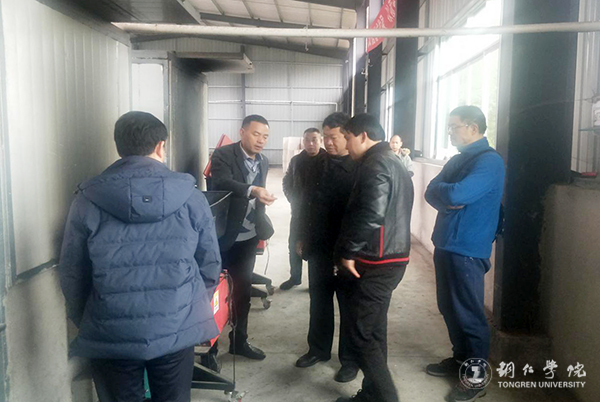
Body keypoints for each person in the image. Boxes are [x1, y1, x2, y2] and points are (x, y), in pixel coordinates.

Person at [59, 111, 222, 402]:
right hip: (176, 324)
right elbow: (210, 262)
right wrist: (190, 305)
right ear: (161, 146)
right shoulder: (190, 196)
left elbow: (73, 271)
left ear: (119, 147)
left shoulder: (87, 199)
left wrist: (88, 317)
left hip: (111, 329)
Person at [424, 106, 505, 402]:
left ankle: (476, 378)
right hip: (446, 243)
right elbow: (431, 190)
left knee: (469, 314)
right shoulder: (459, 159)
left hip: (468, 248)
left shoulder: (489, 161)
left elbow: (456, 194)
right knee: (448, 306)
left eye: (453, 126)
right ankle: (460, 359)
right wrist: (448, 194)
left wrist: (448, 194)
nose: (449, 132)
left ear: (472, 127)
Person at [334, 114, 414, 402]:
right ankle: (372, 394)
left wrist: (348, 251)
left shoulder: (376, 163)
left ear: (363, 136)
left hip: (378, 260)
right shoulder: (392, 160)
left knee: (361, 333)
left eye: (347, 137)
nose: (345, 144)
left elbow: (371, 213)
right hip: (392, 256)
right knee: (375, 329)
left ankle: (386, 397)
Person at [295, 112, 359, 383]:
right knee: (319, 301)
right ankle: (318, 350)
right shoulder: (317, 163)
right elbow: (304, 203)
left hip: (346, 249)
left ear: (347, 135)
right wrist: (300, 236)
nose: (328, 143)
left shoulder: (359, 166)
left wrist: (352, 250)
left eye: (333, 137)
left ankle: (350, 360)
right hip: (319, 245)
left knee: (349, 305)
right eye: (326, 137)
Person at [210, 114, 276, 360]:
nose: (261, 140)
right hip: (223, 236)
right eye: (256, 134)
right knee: (215, 294)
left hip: (248, 236)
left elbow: (258, 196)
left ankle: (239, 341)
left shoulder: (264, 161)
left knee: (242, 292)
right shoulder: (223, 155)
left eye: (265, 136)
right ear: (242, 132)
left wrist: (261, 204)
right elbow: (222, 181)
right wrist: (253, 190)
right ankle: (210, 348)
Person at [280, 128, 325, 290]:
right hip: (299, 212)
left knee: (315, 249)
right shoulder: (296, 160)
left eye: (314, 139)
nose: (310, 143)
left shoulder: (327, 160)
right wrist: (292, 198)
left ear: (320, 140)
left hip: (319, 215)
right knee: (293, 245)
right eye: (307, 140)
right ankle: (295, 277)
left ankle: (315, 283)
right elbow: (287, 181)